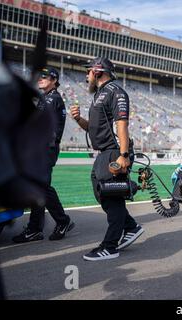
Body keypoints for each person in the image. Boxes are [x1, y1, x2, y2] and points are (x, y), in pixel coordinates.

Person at [71, 57, 144, 261]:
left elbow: (122, 124)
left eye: (88, 72)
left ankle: (110, 246)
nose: (86, 76)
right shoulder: (99, 95)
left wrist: (123, 155)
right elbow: (93, 129)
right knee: (101, 191)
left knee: (112, 197)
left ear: (97, 71)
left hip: (113, 151)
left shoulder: (115, 91)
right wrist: (78, 119)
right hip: (104, 151)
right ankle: (131, 226)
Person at [12, 67, 75, 243]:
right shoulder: (47, 99)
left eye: (44, 77)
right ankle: (34, 229)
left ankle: (62, 221)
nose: (40, 79)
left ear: (54, 80)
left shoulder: (51, 99)